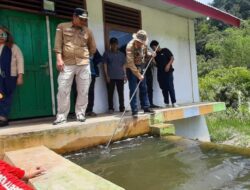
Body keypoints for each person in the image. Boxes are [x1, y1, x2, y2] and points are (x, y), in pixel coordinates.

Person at [53, 8, 96, 125]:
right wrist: (59, 59)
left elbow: (93, 48)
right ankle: (61, 116)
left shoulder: (88, 31)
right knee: (63, 89)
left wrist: (86, 57)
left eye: (85, 20)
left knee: (83, 90)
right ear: (74, 16)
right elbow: (57, 45)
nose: (83, 22)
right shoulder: (62, 26)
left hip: (84, 64)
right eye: (81, 19)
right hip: (66, 63)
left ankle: (81, 113)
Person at [126, 30, 155, 117]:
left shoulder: (144, 45)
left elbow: (146, 54)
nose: (141, 44)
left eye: (142, 42)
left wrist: (151, 54)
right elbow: (130, 63)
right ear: (136, 40)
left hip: (141, 66)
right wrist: (138, 75)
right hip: (132, 69)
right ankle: (134, 110)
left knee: (144, 88)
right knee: (133, 89)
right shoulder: (129, 46)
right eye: (139, 42)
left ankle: (146, 107)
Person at [0, 26, 24, 127]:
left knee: (7, 97)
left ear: (7, 35)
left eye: (3, 34)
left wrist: (20, 76)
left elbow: (20, 61)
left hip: (10, 77)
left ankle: (3, 118)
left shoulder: (13, 47)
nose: (1, 36)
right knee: (0, 96)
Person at [150, 40, 178, 107]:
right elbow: (156, 65)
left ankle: (174, 102)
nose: (153, 49)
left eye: (153, 47)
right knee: (163, 88)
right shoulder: (155, 54)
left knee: (170, 87)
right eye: (152, 48)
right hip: (160, 73)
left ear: (157, 46)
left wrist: (168, 65)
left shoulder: (165, 50)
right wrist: (153, 59)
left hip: (168, 72)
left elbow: (172, 58)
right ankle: (166, 103)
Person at [103, 38, 126, 113]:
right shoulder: (106, 53)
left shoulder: (122, 54)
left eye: (115, 44)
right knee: (110, 93)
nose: (114, 46)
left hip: (120, 76)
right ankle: (110, 108)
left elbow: (123, 65)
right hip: (110, 77)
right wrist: (106, 76)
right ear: (110, 44)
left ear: (117, 44)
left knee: (121, 93)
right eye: (112, 44)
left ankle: (122, 108)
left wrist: (125, 74)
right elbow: (105, 65)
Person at [85, 49, 102, 117]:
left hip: (92, 73)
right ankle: (80, 111)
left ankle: (89, 110)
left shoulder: (92, 47)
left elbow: (99, 58)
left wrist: (92, 62)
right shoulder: (78, 46)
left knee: (90, 92)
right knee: (80, 92)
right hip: (80, 73)